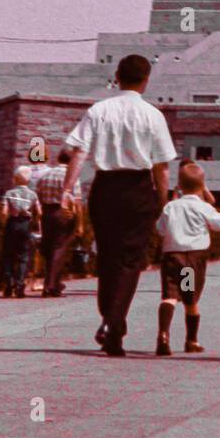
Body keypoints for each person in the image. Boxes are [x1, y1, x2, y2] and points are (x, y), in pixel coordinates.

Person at [62, 53, 176, 358]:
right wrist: (164, 201)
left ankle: (111, 321)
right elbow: (162, 166)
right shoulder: (153, 115)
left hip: (105, 188)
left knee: (108, 259)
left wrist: (67, 189)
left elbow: (79, 152)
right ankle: (114, 323)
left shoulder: (99, 110)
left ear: (117, 76)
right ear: (146, 80)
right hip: (139, 188)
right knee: (130, 261)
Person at [155, 160, 220, 356]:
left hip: (172, 255)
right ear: (202, 186)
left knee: (169, 296)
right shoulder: (203, 207)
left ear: (179, 184)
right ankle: (191, 340)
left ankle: (163, 335)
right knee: (189, 299)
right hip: (192, 259)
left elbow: (160, 229)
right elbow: (219, 223)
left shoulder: (171, 207)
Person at [34, 148, 82, 296]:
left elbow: (38, 196)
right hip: (64, 213)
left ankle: (52, 282)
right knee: (59, 249)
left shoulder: (45, 175)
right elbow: (78, 202)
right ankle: (51, 286)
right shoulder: (72, 177)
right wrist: (80, 223)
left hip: (47, 213)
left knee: (49, 248)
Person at [0, 165, 40, 298]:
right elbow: (39, 212)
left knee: (8, 255)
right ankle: (20, 284)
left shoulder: (9, 193)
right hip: (25, 224)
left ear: (15, 179)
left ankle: (8, 283)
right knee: (23, 256)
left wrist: (4, 220)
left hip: (12, 224)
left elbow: (4, 212)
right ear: (28, 181)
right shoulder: (33, 194)